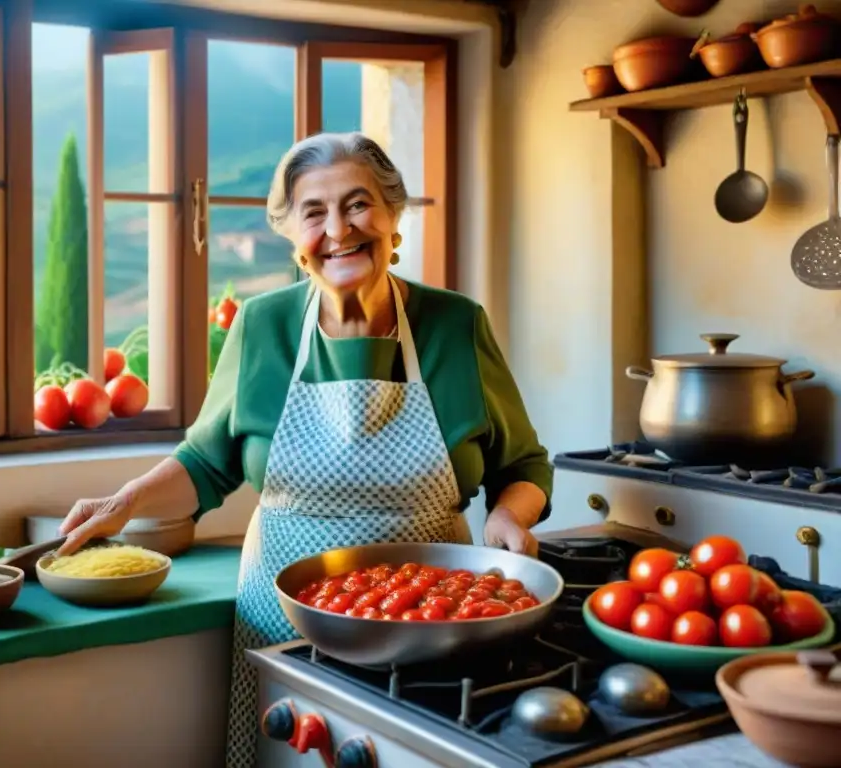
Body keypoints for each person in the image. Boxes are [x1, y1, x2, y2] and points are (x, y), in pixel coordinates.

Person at [55, 132, 553, 768]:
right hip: (284, 623)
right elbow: (207, 464)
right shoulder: (263, 325)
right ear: (293, 236)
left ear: (393, 216)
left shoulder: (455, 324)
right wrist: (123, 503)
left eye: (358, 205)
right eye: (314, 213)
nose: (339, 229)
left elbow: (523, 464)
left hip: (430, 619)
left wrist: (510, 514)